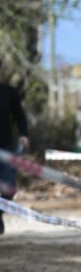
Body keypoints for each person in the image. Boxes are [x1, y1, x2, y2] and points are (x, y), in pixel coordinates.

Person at [0, 81, 29, 235]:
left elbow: (19, 115)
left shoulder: (8, 92)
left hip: (6, 149)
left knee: (9, 189)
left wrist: (24, 134)